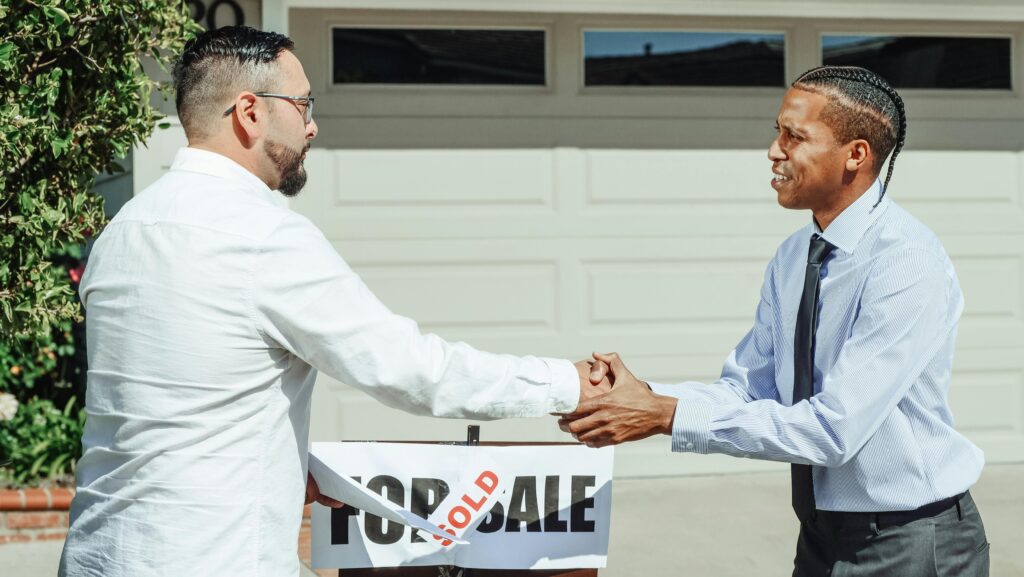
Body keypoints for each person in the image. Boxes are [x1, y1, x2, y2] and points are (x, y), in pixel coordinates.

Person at [58, 26, 608, 577]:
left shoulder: (124, 231)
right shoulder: (261, 235)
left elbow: (166, 404)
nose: (313, 125)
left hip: (97, 555)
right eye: (303, 105)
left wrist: (286, 471)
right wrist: (572, 384)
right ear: (250, 111)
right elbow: (413, 370)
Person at [564, 66, 989, 576]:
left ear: (856, 154)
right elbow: (748, 388)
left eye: (795, 136)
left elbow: (833, 431)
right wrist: (643, 396)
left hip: (912, 540)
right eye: (777, 131)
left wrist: (663, 415)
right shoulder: (794, 257)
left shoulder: (905, 262)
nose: (774, 150)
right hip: (823, 534)